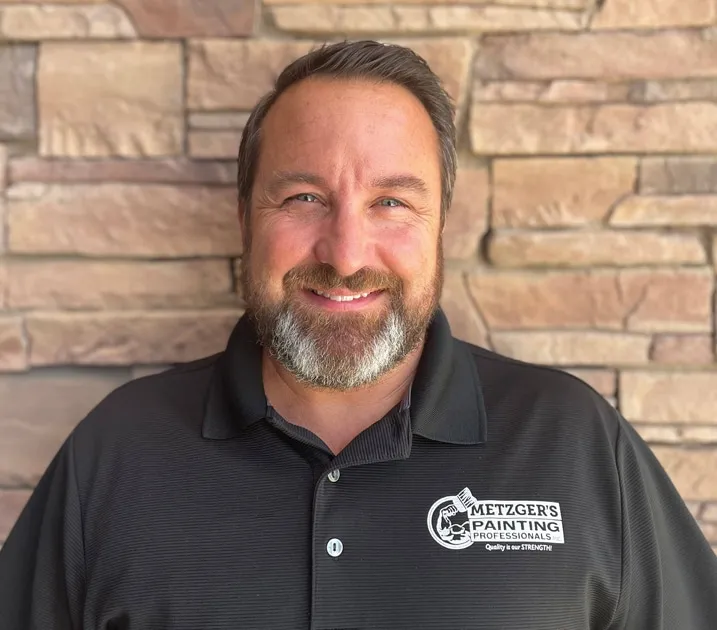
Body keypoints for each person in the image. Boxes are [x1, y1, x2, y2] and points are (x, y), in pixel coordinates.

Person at [0, 40, 715, 630]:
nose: (344, 254)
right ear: (244, 216)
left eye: (391, 202)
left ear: (442, 225)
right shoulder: (118, 450)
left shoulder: (572, 442)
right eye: (303, 197)